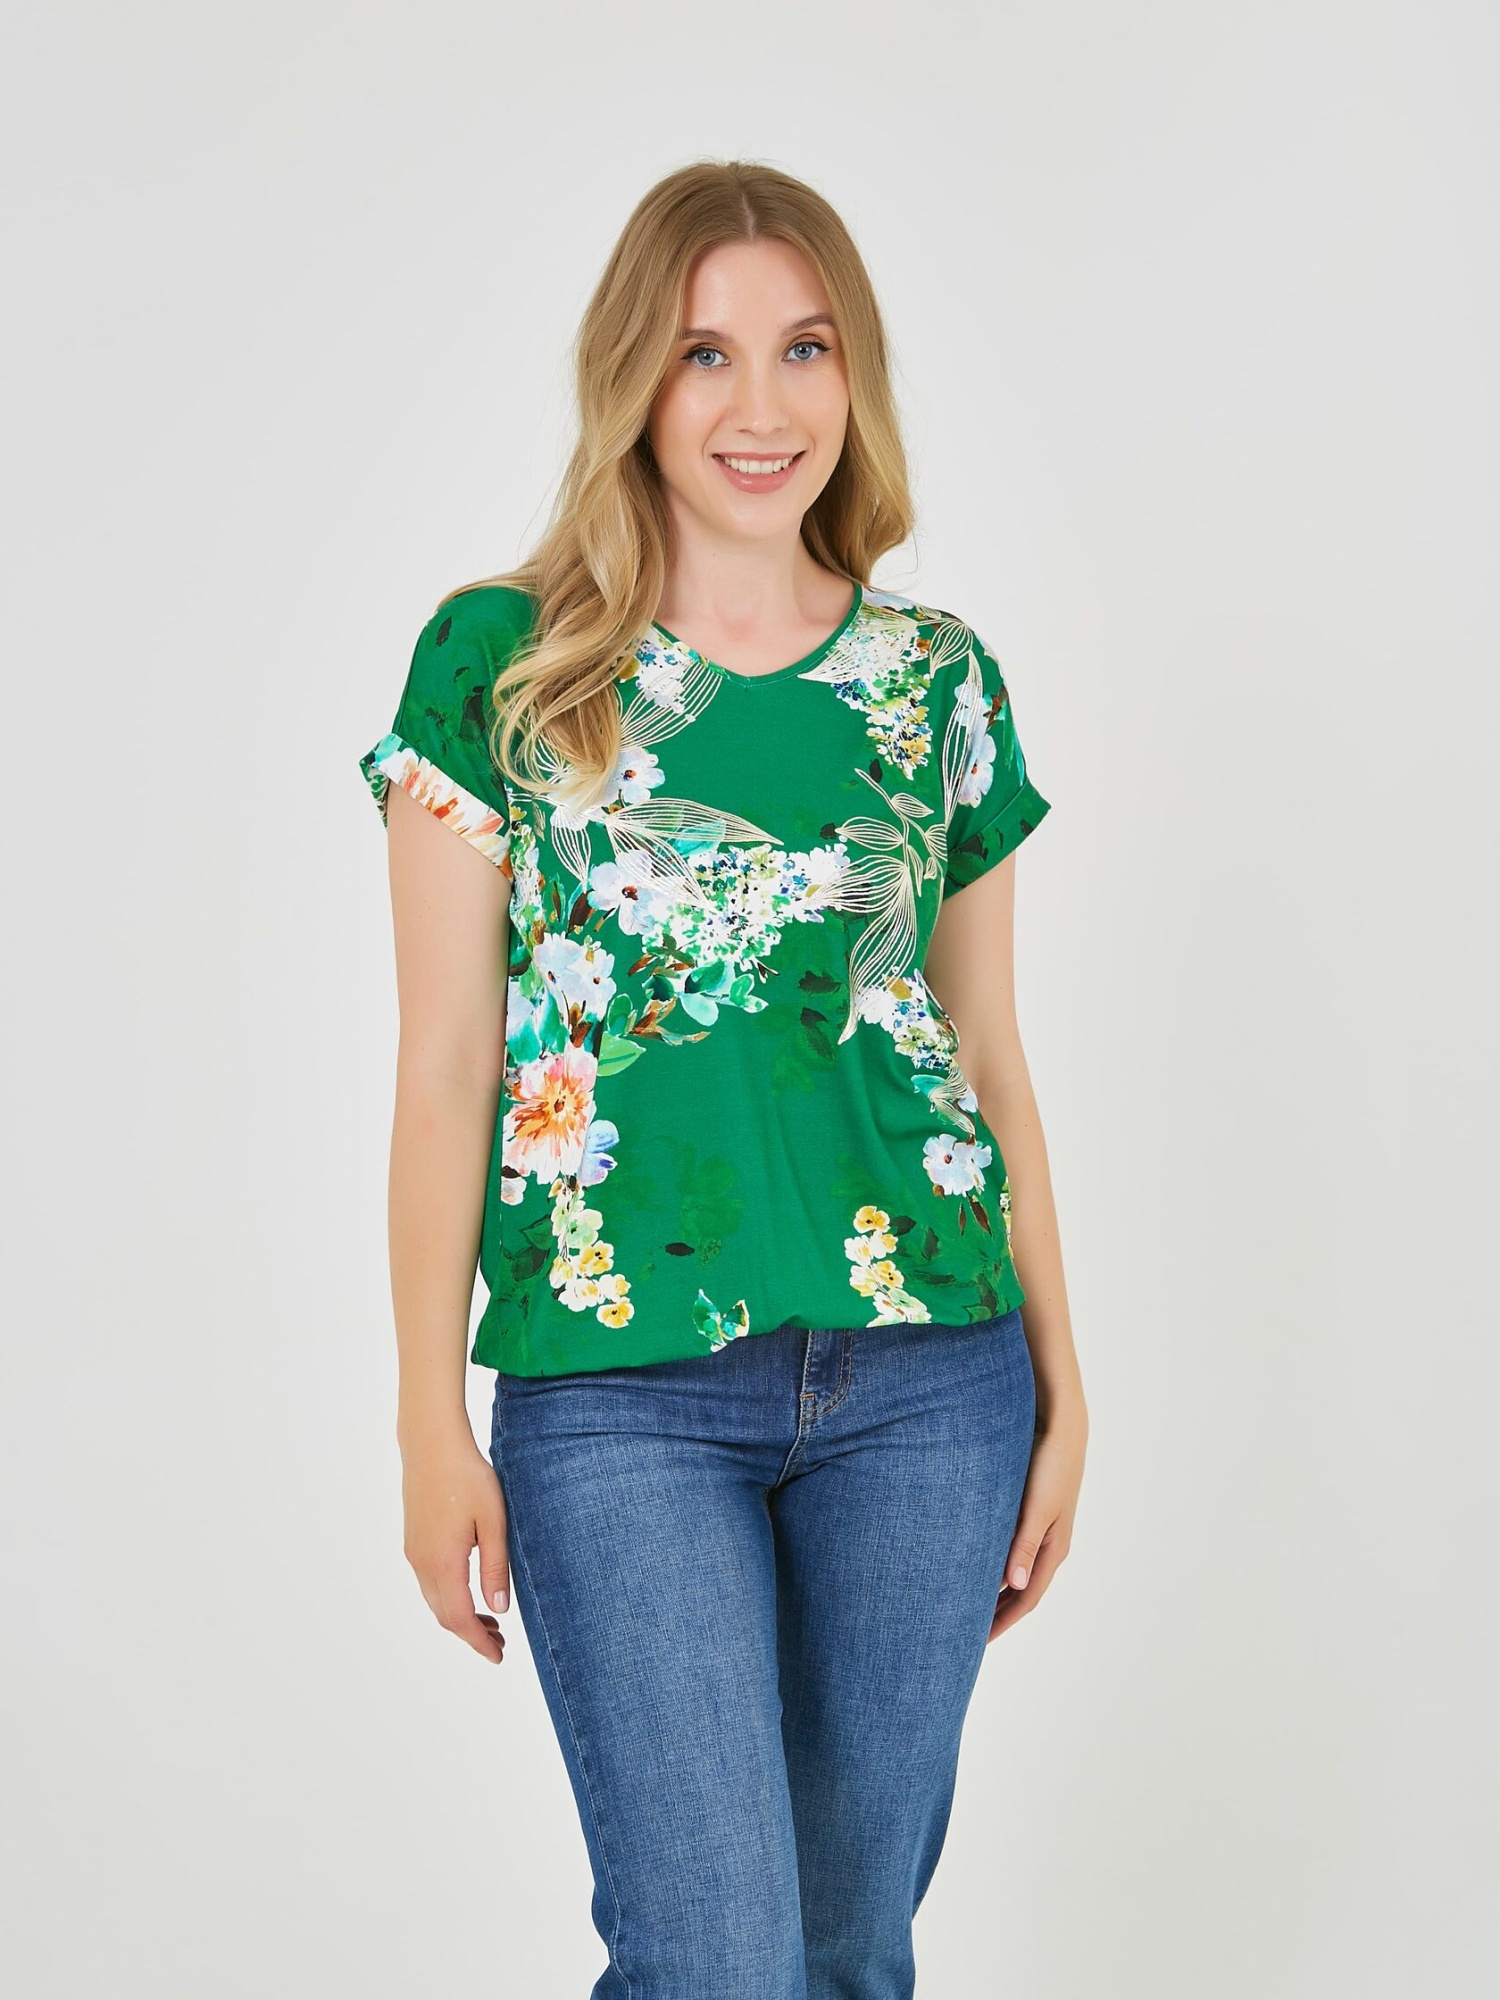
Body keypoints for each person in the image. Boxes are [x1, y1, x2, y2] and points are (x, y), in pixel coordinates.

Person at [358, 158, 1088, 2000]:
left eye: (804, 348)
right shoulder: (504, 669)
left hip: (934, 1384)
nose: (760, 405)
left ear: (856, 378)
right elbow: (445, 1068)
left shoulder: (938, 683)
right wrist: (429, 1419)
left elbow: (987, 1057)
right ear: (634, 378)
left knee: (845, 1954)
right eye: (705, 354)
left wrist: (1065, 1387)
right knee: (715, 1958)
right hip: (620, 1400)